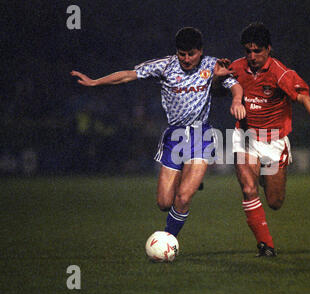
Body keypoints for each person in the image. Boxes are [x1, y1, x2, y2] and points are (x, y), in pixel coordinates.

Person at [71, 27, 245, 237]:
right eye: (182, 54)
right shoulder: (165, 65)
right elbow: (128, 75)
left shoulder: (213, 65)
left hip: (201, 135)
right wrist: (95, 82)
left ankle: (167, 240)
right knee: (164, 203)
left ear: (201, 51)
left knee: (182, 198)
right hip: (175, 136)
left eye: (191, 54)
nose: (186, 59)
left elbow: (234, 85)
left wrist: (236, 100)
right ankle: (188, 180)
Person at [227, 23, 310, 256]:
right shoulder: (237, 67)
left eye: (257, 51)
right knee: (249, 189)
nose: (252, 56)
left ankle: (264, 172)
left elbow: (305, 99)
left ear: (268, 49)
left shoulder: (281, 73)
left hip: (274, 142)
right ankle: (266, 245)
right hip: (245, 136)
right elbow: (219, 87)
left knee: (275, 202)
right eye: (248, 51)